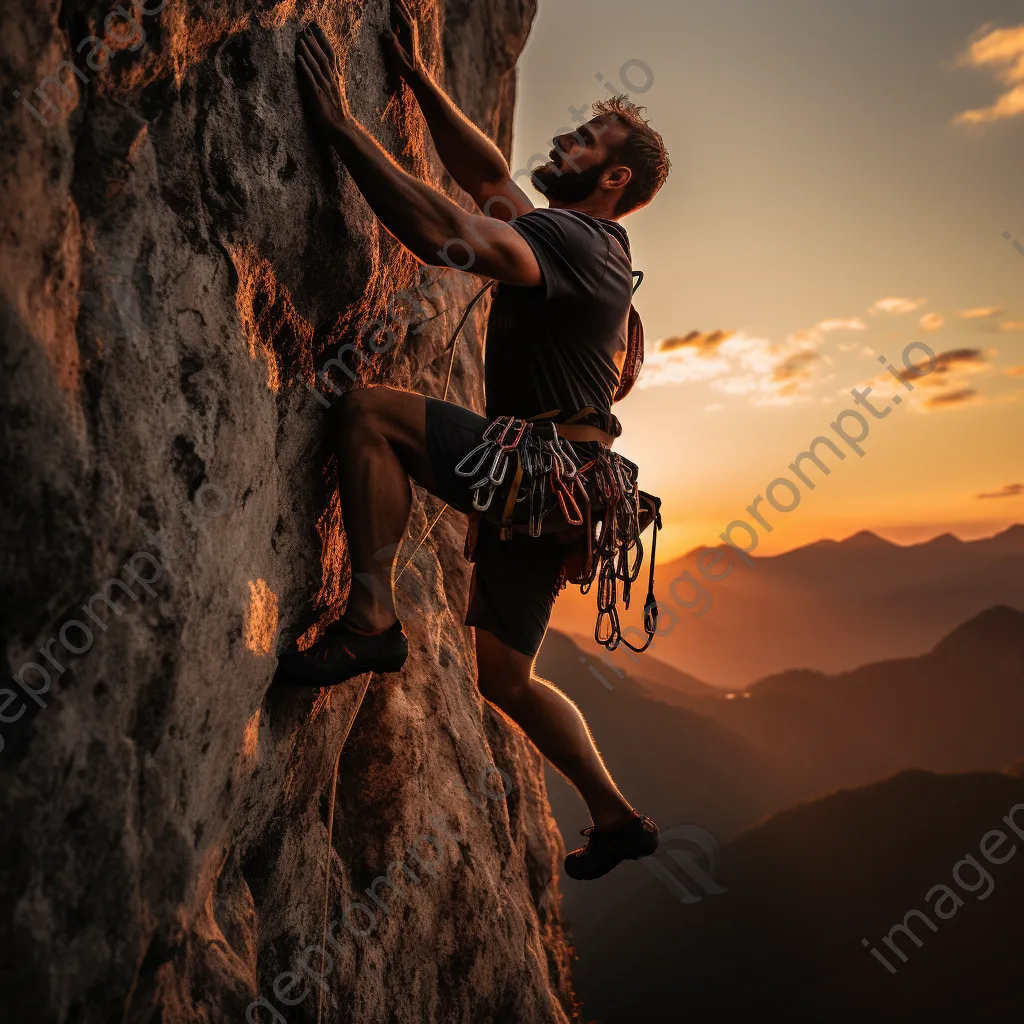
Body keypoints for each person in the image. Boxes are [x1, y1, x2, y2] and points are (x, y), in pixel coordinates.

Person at [278, 5, 671, 881]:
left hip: (537, 472)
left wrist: (342, 126)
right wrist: (422, 87)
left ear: (610, 179)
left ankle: (372, 619)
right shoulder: (595, 246)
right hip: (574, 484)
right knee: (507, 677)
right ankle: (617, 817)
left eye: (584, 138)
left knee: (371, 413)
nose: (564, 136)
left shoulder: (567, 239)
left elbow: (441, 233)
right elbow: (487, 176)